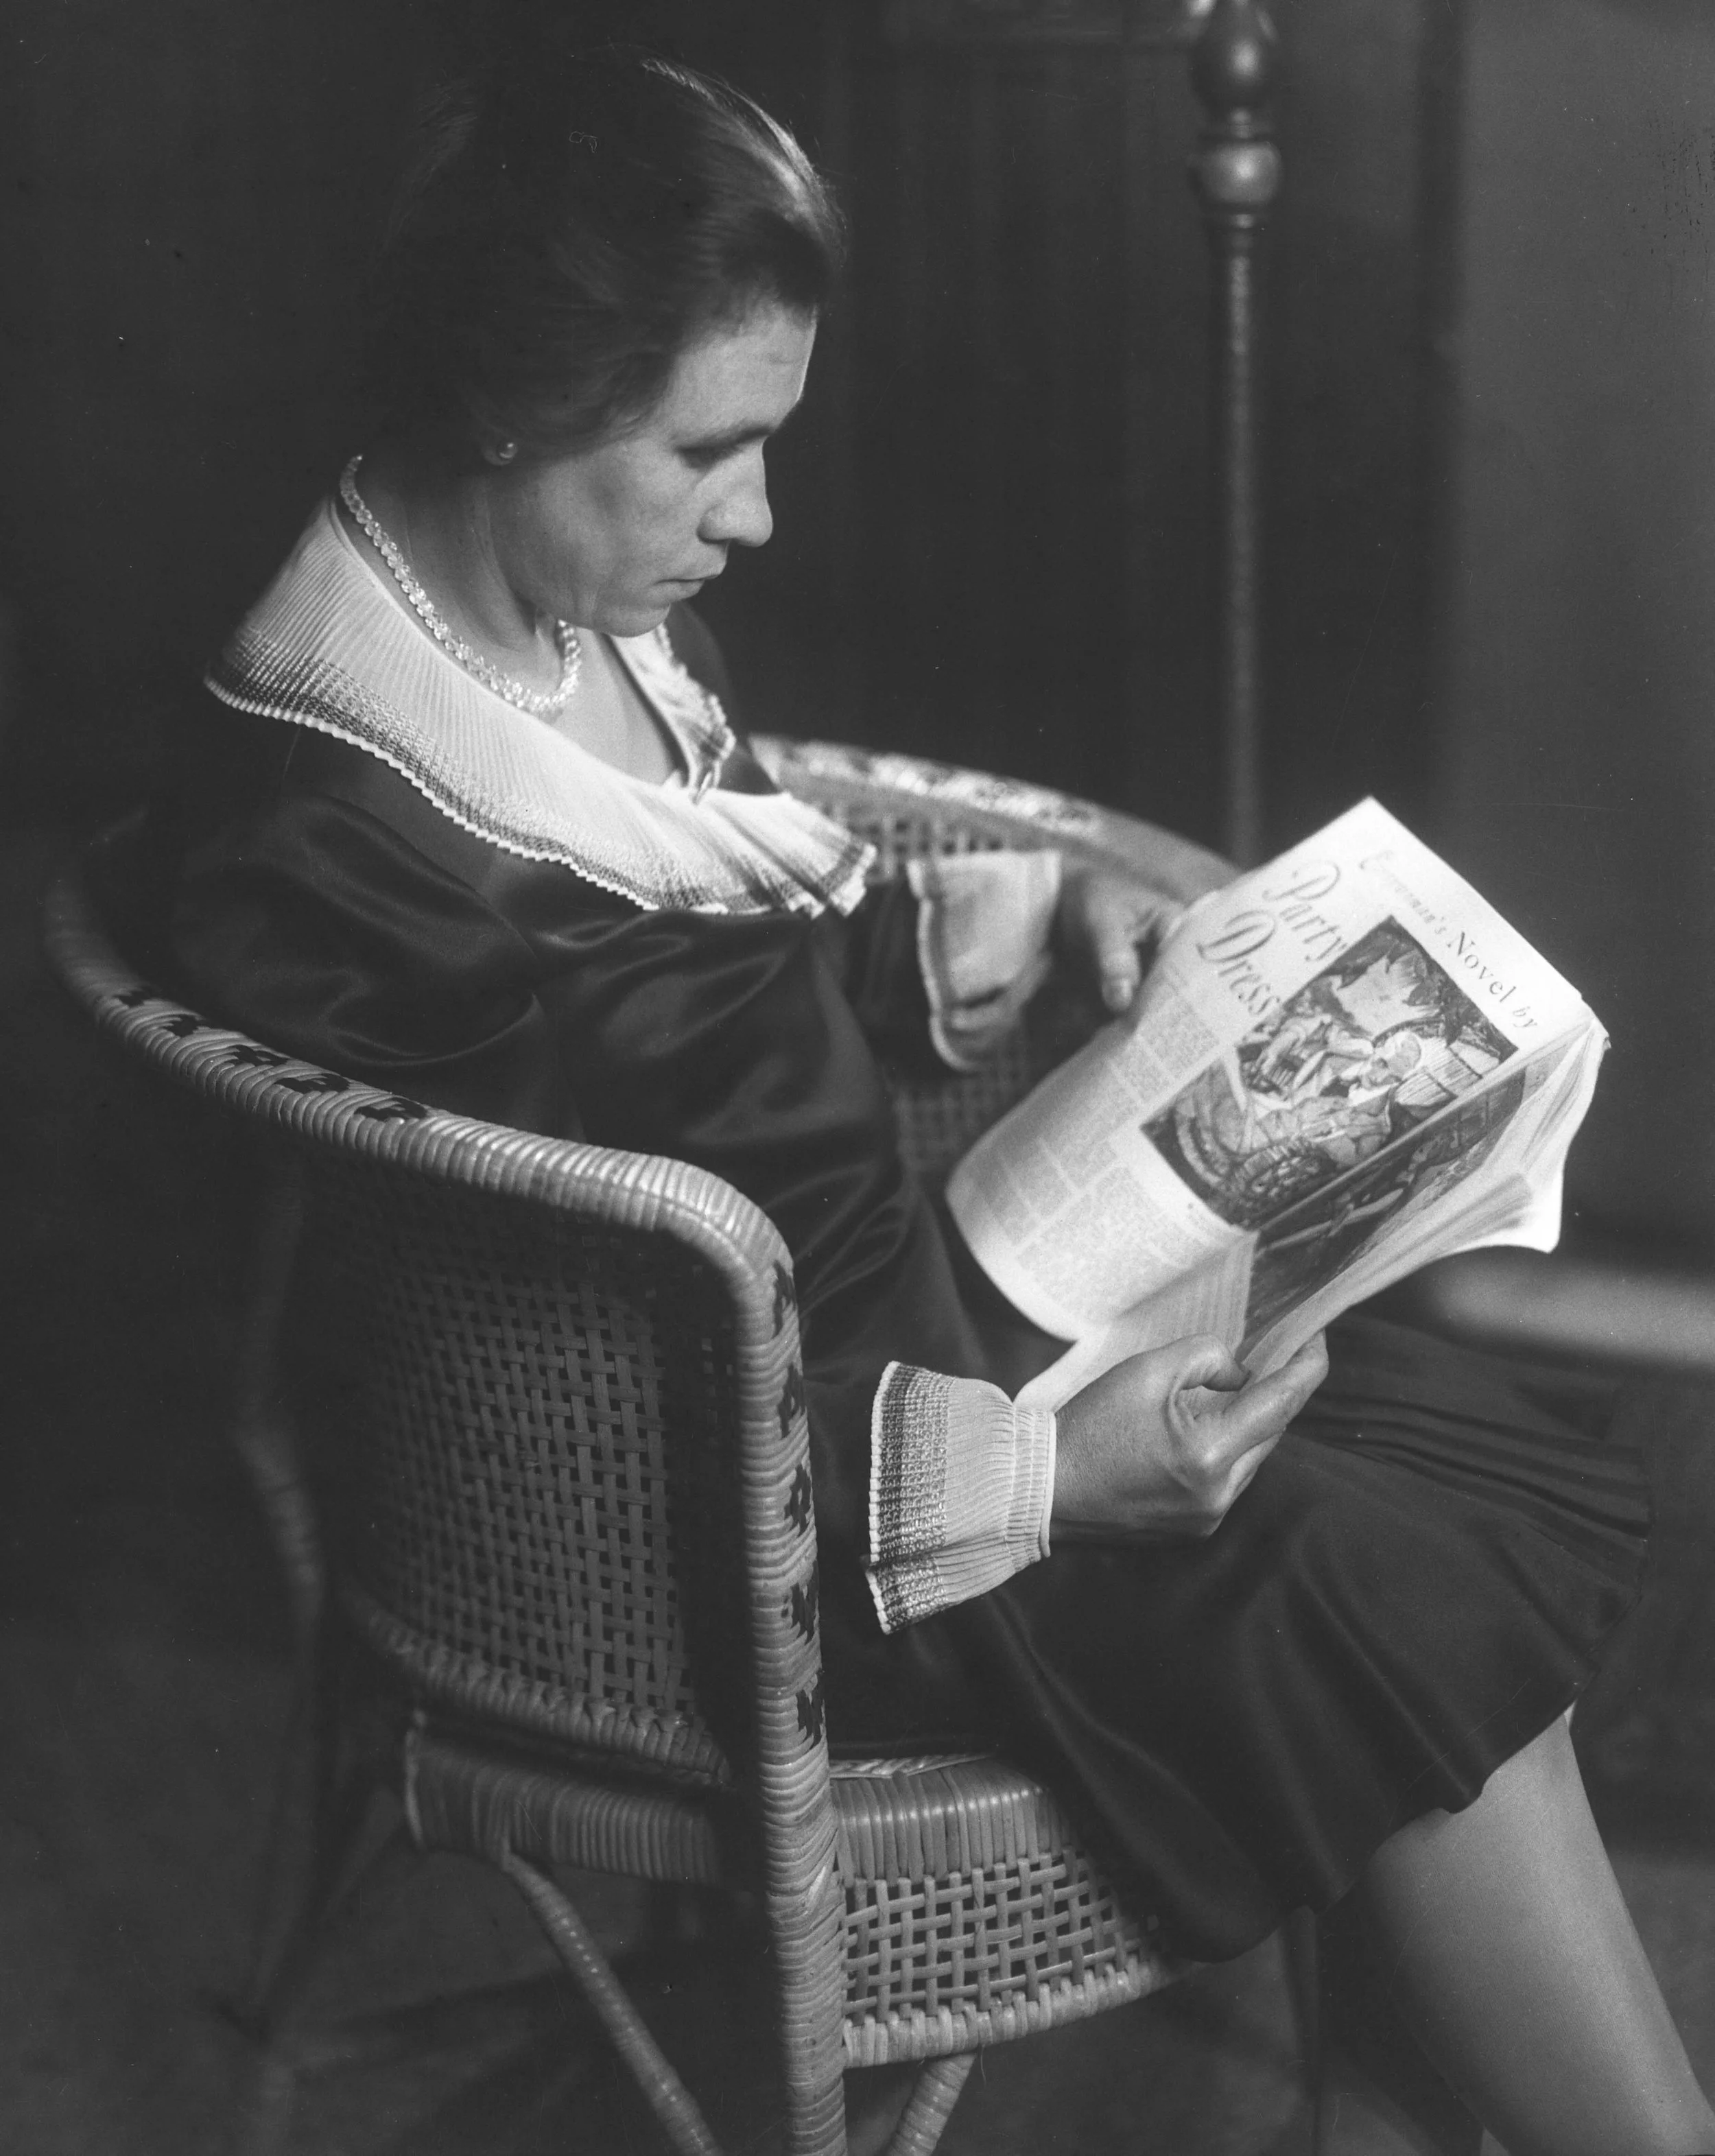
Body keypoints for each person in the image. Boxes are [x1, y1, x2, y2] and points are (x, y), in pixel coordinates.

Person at [133, 44, 1712, 2156]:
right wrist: (1049, 1479)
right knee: (1361, 1578)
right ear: (509, 401)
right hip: (731, 1529)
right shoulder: (335, 835)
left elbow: (714, 961)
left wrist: (1025, 928)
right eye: (708, 450)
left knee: (1414, 1447)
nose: (756, 517)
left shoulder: (558, 616)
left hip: (886, 1323)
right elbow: (546, 1317)